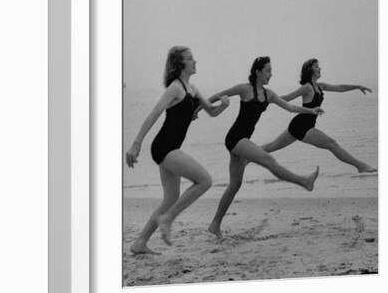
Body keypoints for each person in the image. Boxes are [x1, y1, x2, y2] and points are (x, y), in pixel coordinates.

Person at [204, 56, 323, 239]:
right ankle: (304, 182)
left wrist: (310, 111)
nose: (271, 74)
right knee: (269, 160)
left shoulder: (269, 95)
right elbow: (219, 94)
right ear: (258, 72)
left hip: (241, 141)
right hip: (235, 138)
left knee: (235, 185)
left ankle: (214, 224)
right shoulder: (244, 89)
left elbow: (290, 107)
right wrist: (198, 109)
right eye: (267, 70)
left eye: (271, 70)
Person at [126, 46, 229, 253]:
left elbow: (212, 111)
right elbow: (154, 114)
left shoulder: (193, 89)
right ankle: (168, 219)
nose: (195, 61)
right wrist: (136, 143)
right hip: (164, 147)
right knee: (204, 181)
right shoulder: (175, 88)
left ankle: (140, 243)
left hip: (171, 148)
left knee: (171, 198)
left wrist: (224, 104)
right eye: (190, 59)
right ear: (181, 64)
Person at [261, 58, 377, 173]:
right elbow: (287, 98)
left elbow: (340, 88)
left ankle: (246, 156)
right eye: (316, 66)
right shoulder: (307, 87)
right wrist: (265, 99)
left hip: (300, 125)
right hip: (303, 126)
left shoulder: (319, 86)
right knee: (332, 144)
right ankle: (360, 166)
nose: (319, 68)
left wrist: (357, 86)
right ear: (310, 70)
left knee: (271, 147)